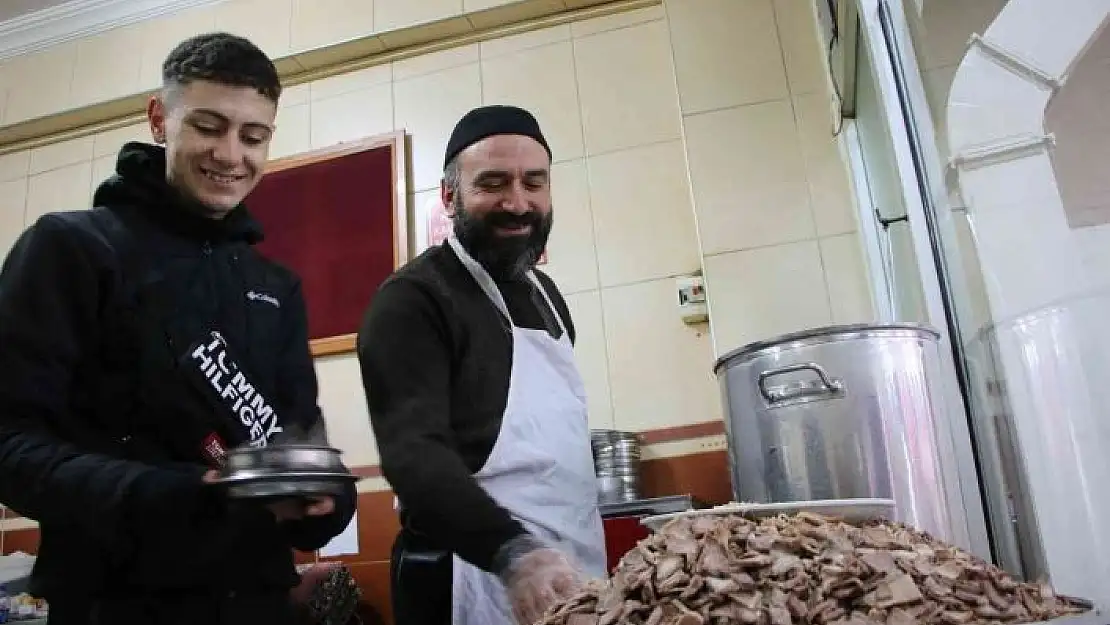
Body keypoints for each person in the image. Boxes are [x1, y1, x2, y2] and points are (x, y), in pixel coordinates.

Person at [0, 33, 356, 624]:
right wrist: (181, 497)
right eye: (208, 126)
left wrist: (328, 499)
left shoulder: (277, 287)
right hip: (108, 602)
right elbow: (9, 443)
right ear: (160, 120)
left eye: (253, 135)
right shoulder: (70, 248)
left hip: (260, 605)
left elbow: (300, 442)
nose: (230, 153)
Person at [357, 105, 607, 625]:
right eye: (493, 183)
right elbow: (413, 456)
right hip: (475, 578)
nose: (518, 203)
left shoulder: (547, 295)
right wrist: (513, 555)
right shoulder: (412, 300)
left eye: (533, 183)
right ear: (449, 197)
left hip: (572, 568)